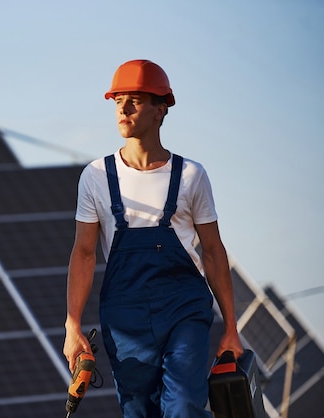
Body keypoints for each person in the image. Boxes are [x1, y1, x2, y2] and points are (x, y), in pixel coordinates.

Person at [63, 59, 244, 418]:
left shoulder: (191, 175)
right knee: (140, 413)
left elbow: (212, 251)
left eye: (134, 101)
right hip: (123, 316)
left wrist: (232, 329)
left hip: (183, 309)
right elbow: (84, 253)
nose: (123, 110)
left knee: (182, 408)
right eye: (117, 102)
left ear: (161, 110)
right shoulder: (96, 176)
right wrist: (72, 325)